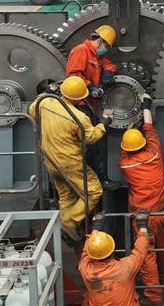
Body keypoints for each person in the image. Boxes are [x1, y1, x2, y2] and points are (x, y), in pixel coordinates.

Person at [29, 76, 113, 242]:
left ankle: (64, 228)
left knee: (66, 195)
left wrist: (47, 93)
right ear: (80, 98)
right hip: (70, 163)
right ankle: (68, 221)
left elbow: (32, 109)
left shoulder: (45, 103)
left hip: (51, 162)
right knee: (94, 191)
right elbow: (90, 137)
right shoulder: (78, 117)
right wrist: (104, 123)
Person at [119, 96, 164, 304]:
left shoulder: (125, 164)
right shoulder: (154, 154)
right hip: (159, 214)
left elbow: (125, 150)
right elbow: (149, 128)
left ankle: (154, 297)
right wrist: (146, 105)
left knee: (147, 255)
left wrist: (129, 125)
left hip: (141, 218)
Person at [67, 25, 120, 189]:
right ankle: (96, 181)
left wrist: (108, 72)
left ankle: (99, 180)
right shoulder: (81, 51)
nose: (106, 49)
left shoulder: (96, 55)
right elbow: (73, 75)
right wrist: (90, 87)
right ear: (99, 40)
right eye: (106, 46)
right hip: (80, 104)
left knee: (93, 144)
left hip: (90, 104)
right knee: (89, 145)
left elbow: (109, 64)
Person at [80, 211, 152, 306]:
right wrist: (142, 225)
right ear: (113, 251)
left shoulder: (86, 270)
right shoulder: (125, 267)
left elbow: (86, 251)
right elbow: (141, 249)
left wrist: (96, 227)